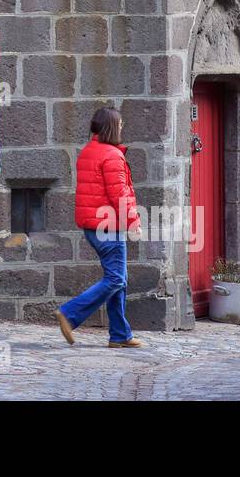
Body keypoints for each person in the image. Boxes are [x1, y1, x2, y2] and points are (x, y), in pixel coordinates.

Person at [55, 106, 144, 348]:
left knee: (119, 278)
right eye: (121, 124)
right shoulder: (112, 155)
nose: (122, 128)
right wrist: (133, 222)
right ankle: (69, 313)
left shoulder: (89, 151)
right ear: (112, 126)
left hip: (93, 225)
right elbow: (120, 193)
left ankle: (120, 335)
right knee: (115, 278)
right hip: (107, 226)